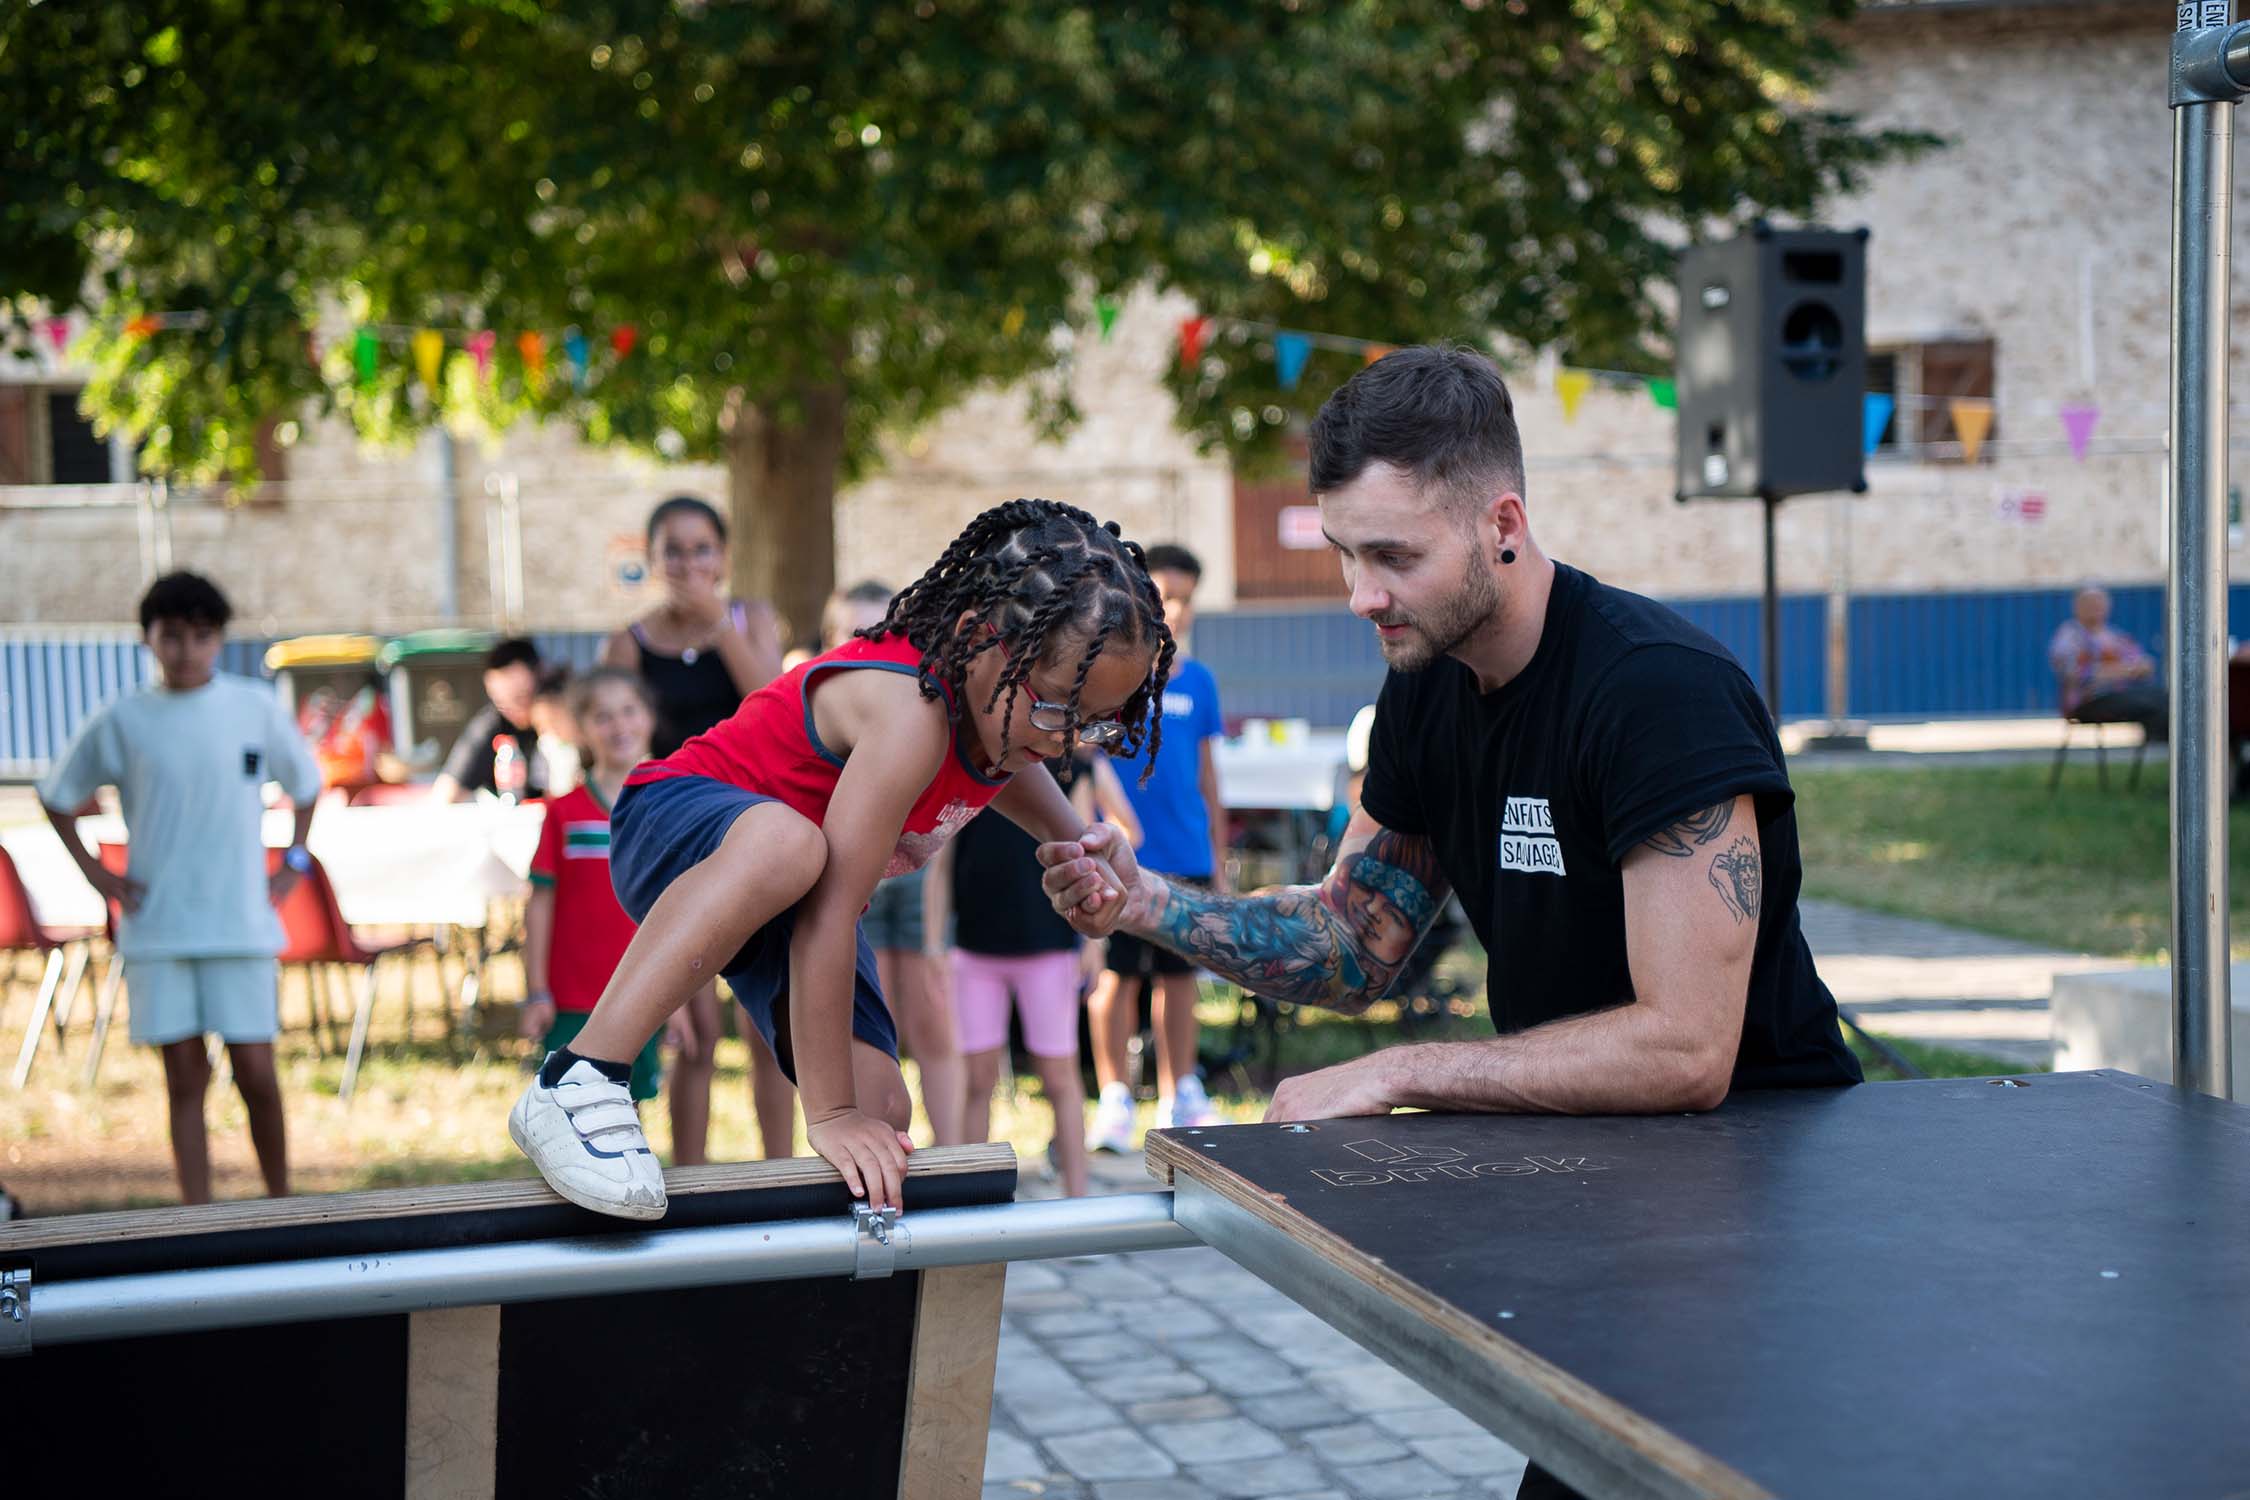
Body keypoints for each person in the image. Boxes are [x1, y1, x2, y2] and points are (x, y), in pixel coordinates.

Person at [1037, 347, 1861, 1500]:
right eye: (1344, 554)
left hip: (1768, 1208)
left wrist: (1406, 1070)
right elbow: (1351, 938)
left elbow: (1687, 1047)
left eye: (1394, 556)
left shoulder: (1657, 693)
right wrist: (1147, 904)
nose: (1361, 594)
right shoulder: (1423, 687)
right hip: (1606, 1185)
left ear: (1503, 523)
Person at [509, 499, 1169, 1219]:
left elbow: (1006, 772)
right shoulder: (912, 713)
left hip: (789, 894)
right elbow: (828, 914)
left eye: (1091, 718)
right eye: (1054, 707)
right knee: (793, 845)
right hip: (672, 824)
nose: (1067, 738)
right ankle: (579, 1078)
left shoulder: (997, 720)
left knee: (882, 1111)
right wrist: (824, 1116)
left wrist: (1079, 846)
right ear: (982, 639)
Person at [37, 572, 322, 1205]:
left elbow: (307, 785)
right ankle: (197, 1214)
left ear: (220, 639)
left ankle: (281, 1203)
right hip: (160, 925)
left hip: (240, 922)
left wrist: (293, 861)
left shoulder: (252, 707)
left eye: (201, 636)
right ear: (149, 640)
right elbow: (56, 795)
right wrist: (96, 872)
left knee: (256, 1072)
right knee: (185, 1077)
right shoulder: (124, 718)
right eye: (172, 637)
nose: (187, 651)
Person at [604, 495, 788, 1165]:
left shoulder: (752, 619)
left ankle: (779, 1173)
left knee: (770, 1027)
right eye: (673, 550)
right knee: (692, 1028)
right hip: (675, 839)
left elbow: (777, 709)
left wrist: (721, 627)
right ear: (652, 561)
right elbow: (616, 739)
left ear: (724, 556)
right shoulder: (630, 641)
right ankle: (690, 1179)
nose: (689, 563)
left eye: (702, 548)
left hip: (755, 836)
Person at [928, 748, 1135, 1199]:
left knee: (1059, 1077)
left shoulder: (1074, 769)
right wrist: (934, 946)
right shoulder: (972, 764)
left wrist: (1095, 944)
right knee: (977, 1078)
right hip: (975, 948)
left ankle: (1076, 1199)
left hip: (1048, 949)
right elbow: (942, 863)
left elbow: (1089, 856)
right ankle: (966, 1199)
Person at [1087, 542, 1229, 1148]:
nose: (1176, 609)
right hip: (1123, 860)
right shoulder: (1116, 676)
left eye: (1187, 600)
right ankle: (1115, 1097)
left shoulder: (1200, 682)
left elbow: (1207, 779)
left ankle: (1180, 1093)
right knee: (1118, 980)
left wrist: (1218, 858)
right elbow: (1085, 759)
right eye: (1166, 596)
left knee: (1178, 980)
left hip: (1187, 856)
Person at [823, 580, 967, 1148]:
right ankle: (875, 1150)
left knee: (934, 1022)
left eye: (879, 626)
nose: (865, 639)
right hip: (855, 889)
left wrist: (935, 935)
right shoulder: (825, 704)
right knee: (870, 1034)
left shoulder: (922, 702)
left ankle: (956, 1158)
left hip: (918, 882)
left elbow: (945, 830)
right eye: (851, 629)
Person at [520, 669, 665, 1109]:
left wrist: (676, 1003)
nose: (619, 726)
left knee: (629, 1113)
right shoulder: (563, 813)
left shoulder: (668, 808)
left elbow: (680, 907)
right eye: (603, 717)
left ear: (649, 717)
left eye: (628, 711)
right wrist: (536, 989)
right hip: (572, 999)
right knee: (570, 1108)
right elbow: (539, 905)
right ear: (581, 730)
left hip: (644, 994)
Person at [431, 637, 548, 803]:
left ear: (541, 676)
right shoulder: (491, 724)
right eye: (502, 703)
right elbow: (446, 793)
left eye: (522, 698)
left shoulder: (566, 718)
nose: (514, 711)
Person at [2049, 585, 2167, 742]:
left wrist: (2128, 669)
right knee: (2149, 700)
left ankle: (2165, 746)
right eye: (2089, 603)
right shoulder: (2069, 636)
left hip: (2120, 697)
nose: (2095, 607)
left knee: (2163, 697)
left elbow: (2145, 666)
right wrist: (2123, 671)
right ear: (2077, 607)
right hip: (2088, 702)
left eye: (2099, 603)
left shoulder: (2116, 636)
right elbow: (2074, 672)